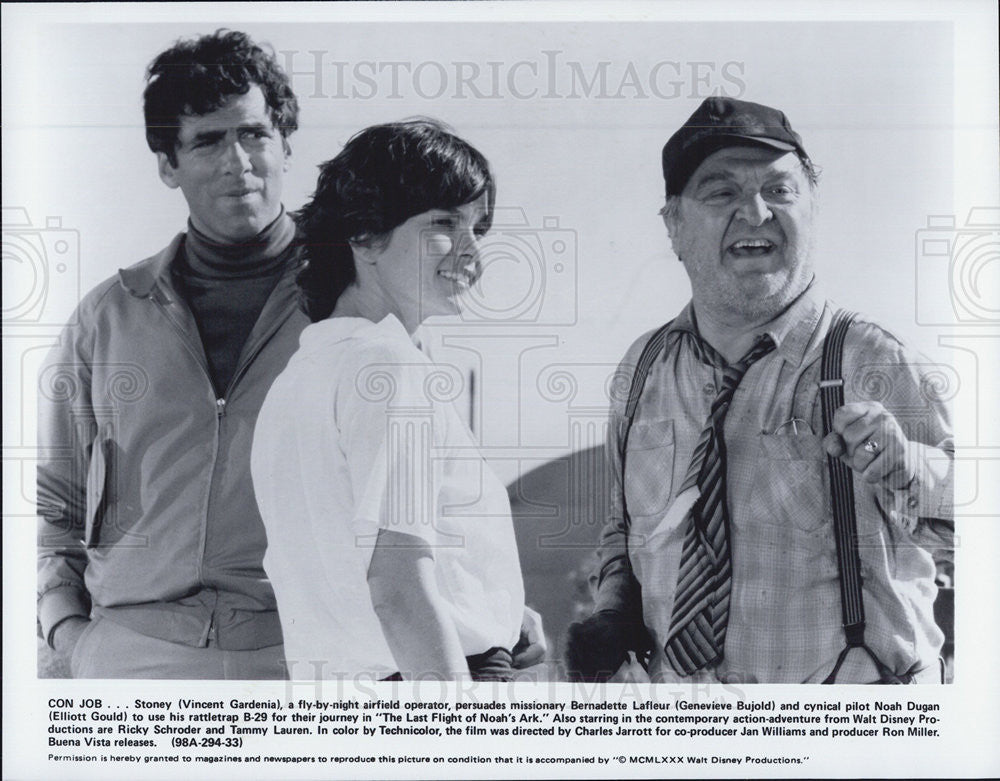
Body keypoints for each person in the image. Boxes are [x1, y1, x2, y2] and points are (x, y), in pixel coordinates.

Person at [565, 97, 954, 684]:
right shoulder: (641, 370)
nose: (755, 212)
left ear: (812, 209)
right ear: (673, 225)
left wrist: (909, 467)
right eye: (721, 193)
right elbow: (624, 533)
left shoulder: (872, 358)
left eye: (779, 191)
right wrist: (613, 615)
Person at [36, 30, 307, 678]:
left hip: (306, 656)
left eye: (253, 134)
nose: (236, 161)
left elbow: (429, 488)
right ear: (168, 165)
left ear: (285, 144)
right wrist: (65, 627)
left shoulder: (355, 300)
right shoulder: (104, 320)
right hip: (129, 653)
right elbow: (54, 499)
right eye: (207, 140)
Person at [251, 119, 541, 680]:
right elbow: (397, 586)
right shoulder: (390, 369)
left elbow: (353, 564)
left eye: (478, 227)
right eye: (444, 223)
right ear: (364, 234)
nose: (472, 251)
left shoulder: (296, 380)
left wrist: (500, 608)